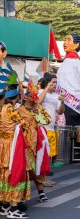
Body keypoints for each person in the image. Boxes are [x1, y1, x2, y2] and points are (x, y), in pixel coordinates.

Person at [18, 80, 51, 204]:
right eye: (32, 98)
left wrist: (38, 116)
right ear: (26, 98)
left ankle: (41, 192)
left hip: (37, 142)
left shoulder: (38, 108)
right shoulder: (18, 110)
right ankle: (21, 197)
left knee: (38, 168)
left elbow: (48, 120)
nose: (33, 101)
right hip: (23, 144)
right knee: (24, 170)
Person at [0, 83, 30, 219]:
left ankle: (5, 206)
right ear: (16, 97)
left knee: (5, 174)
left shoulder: (2, 109)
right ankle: (13, 208)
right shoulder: (11, 109)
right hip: (12, 145)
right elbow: (24, 124)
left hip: (3, 145)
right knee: (16, 172)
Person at [57, 33, 80, 127]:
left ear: (76, 45)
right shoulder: (64, 63)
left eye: (69, 39)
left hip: (74, 105)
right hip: (63, 104)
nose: (65, 42)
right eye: (65, 39)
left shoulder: (78, 64)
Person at [38, 73, 65, 168]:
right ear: (47, 82)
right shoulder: (40, 92)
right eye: (53, 82)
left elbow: (60, 112)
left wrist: (62, 102)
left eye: (56, 82)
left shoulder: (56, 96)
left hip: (51, 128)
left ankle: (45, 174)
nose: (55, 84)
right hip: (41, 127)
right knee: (41, 153)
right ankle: (41, 177)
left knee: (50, 153)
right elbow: (38, 102)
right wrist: (46, 89)